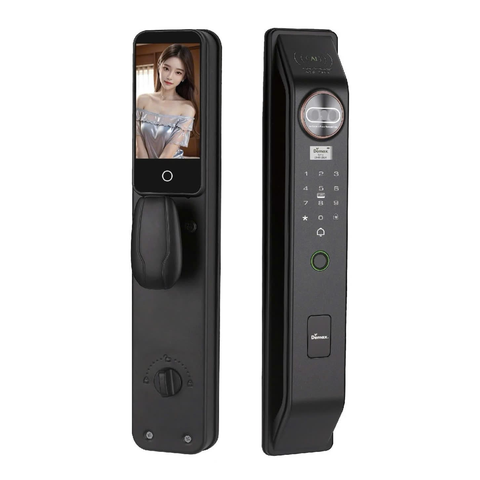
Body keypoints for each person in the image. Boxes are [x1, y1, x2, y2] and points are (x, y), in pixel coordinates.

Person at [136, 44, 198, 158]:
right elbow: (138, 146)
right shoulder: (142, 100)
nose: (169, 76)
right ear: (159, 67)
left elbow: (168, 153)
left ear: (184, 77)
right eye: (166, 68)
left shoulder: (187, 108)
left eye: (178, 72)